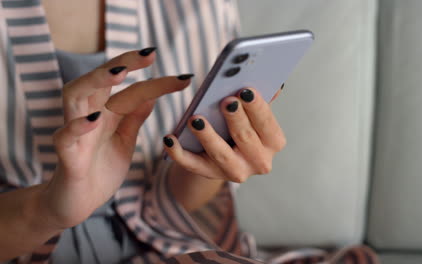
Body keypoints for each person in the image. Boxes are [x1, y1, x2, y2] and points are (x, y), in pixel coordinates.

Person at [0, 0, 379, 263]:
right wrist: (46, 210)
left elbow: (182, 198)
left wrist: (212, 158)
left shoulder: (201, 7)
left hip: (170, 246)